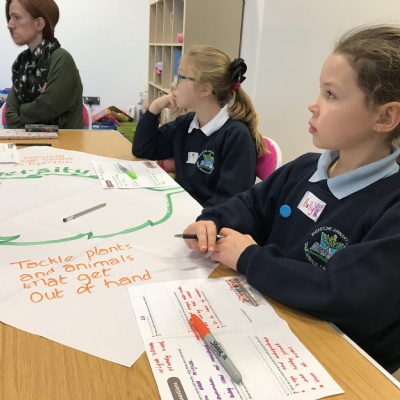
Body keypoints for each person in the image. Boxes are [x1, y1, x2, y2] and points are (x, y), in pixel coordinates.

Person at [183, 25, 400, 373]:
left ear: (385, 117)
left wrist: (250, 258)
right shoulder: (306, 168)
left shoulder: (391, 206)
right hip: (272, 318)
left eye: (331, 95)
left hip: (336, 361)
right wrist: (213, 221)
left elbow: (344, 295)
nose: (313, 104)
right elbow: (251, 204)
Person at [132, 46, 266, 207]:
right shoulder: (187, 124)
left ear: (205, 90)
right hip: (182, 208)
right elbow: (143, 149)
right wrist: (155, 107)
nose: (174, 84)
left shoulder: (236, 136)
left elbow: (229, 202)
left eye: (181, 77)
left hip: (206, 218)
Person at [5, 0, 83, 129]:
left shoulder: (61, 59)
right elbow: (10, 115)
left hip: (64, 141)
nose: (9, 25)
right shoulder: (22, 63)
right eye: (10, 17)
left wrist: (21, 112)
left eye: (17, 17)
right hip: (27, 140)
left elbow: (46, 108)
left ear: (39, 24)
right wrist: (30, 116)